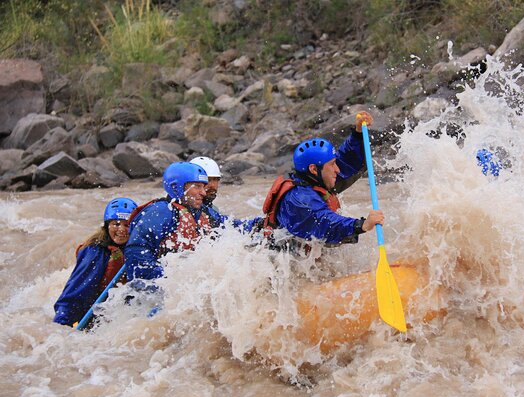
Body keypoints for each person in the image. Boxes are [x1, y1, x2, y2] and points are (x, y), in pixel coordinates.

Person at [262, 111, 384, 251]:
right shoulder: (300, 200)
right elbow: (326, 223)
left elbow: (346, 162)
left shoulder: (317, 178)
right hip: (271, 252)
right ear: (314, 169)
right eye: (332, 165)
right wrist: (362, 225)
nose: (337, 169)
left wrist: (358, 134)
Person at [124, 161, 258, 281]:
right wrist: (168, 278)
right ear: (177, 187)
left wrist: (260, 224)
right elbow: (137, 253)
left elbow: (233, 227)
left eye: (203, 186)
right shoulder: (160, 212)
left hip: (187, 285)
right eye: (197, 187)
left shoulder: (203, 213)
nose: (203, 193)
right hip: (158, 290)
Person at [53, 197, 138, 326]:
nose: (121, 229)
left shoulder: (137, 248)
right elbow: (76, 290)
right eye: (116, 224)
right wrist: (61, 324)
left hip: (123, 315)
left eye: (127, 225)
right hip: (93, 318)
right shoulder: (94, 252)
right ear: (107, 226)